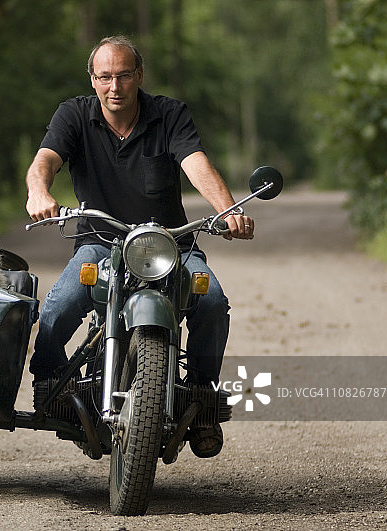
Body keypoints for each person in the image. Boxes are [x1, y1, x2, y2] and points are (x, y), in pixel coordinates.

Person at [24, 35, 255, 458]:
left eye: (124, 75)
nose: (115, 86)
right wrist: (38, 192)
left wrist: (226, 210)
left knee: (213, 302)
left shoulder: (169, 114)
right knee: (59, 305)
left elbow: (195, 161)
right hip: (100, 242)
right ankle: (49, 384)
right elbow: (45, 161)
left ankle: (201, 399)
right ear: (92, 79)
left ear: (139, 76)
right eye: (106, 76)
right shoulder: (73, 114)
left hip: (171, 245)